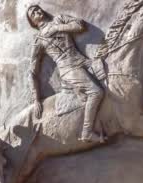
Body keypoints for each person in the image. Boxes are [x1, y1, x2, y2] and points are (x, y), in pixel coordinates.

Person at [27, 4, 104, 143]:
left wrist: (58, 28)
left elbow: (80, 25)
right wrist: (36, 99)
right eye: (32, 13)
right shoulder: (38, 41)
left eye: (37, 9)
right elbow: (32, 72)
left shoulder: (59, 19)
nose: (37, 11)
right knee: (96, 92)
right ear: (32, 22)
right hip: (68, 69)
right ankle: (87, 132)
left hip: (83, 61)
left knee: (108, 76)